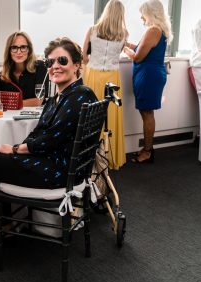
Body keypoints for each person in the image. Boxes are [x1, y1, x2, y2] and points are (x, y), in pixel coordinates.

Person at [0, 38, 97, 219]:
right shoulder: (58, 97)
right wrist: (18, 149)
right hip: (56, 163)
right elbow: (39, 132)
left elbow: (50, 139)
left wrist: (16, 149)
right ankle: (5, 222)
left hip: (61, 171)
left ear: (76, 65)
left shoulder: (80, 95)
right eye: (50, 62)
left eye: (62, 60)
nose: (55, 66)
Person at [124, 0, 172, 163]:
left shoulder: (153, 30)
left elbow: (138, 57)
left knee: (147, 113)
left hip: (148, 75)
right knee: (147, 112)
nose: (140, 17)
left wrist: (126, 50)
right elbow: (141, 48)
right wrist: (127, 43)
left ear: (150, 13)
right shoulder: (159, 30)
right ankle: (148, 149)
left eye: (142, 13)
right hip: (151, 74)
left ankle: (147, 151)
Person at [83, 0, 128, 169]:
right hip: (113, 78)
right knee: (110, 116)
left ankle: (89, 158)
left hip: (94, 75)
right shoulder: (124, 34)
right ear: (121, 15)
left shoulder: (92, 30)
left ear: (105, 12)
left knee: (91, 115)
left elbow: (84, 57)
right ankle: (109, 158)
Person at [0, 31, 48, 107]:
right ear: (9, 51)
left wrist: (8, 103)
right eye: (14, 47)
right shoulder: (4, 74)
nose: (19, 52)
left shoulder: (40, 67)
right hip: (9, 118)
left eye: (23, 47)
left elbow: (38, 101)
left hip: (35, 118)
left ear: (29, 49)